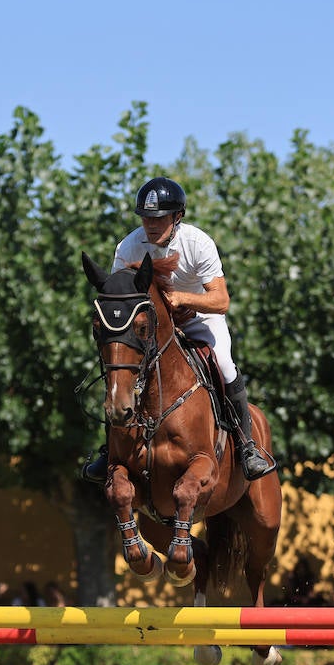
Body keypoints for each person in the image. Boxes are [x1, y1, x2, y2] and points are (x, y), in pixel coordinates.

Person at [82, 176, 276, 484]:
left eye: (159, 218)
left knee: (224, 364)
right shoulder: (129, 247)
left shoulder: (198, 243)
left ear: (177, 216)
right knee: (123, 372)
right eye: (146, 217)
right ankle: (111, 449)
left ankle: (246, 445)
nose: (151, 224)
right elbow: (123, 298)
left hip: (200, 317)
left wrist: (182, 298)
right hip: (153, 326)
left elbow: (221, 300)